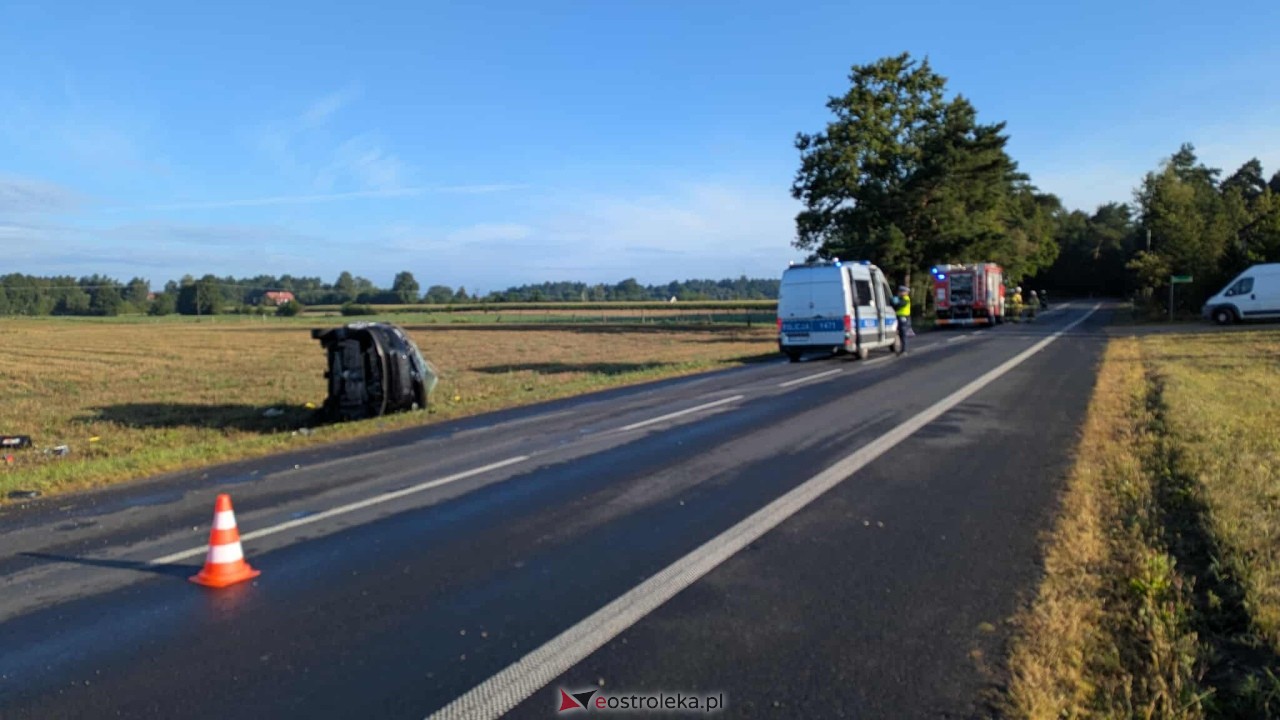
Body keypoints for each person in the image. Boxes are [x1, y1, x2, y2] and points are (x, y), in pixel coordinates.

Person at [891, 285, 911, 354]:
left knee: (903, 334)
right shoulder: (902, 298)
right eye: (900, 291)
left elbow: (898, 306)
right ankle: (902, 349)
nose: (900, 293)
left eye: (902, 292)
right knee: (900, 334)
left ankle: (903, 350)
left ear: (905, 292)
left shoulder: (905, 299)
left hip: (903, 318)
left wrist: (894, 303)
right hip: (900, 317)